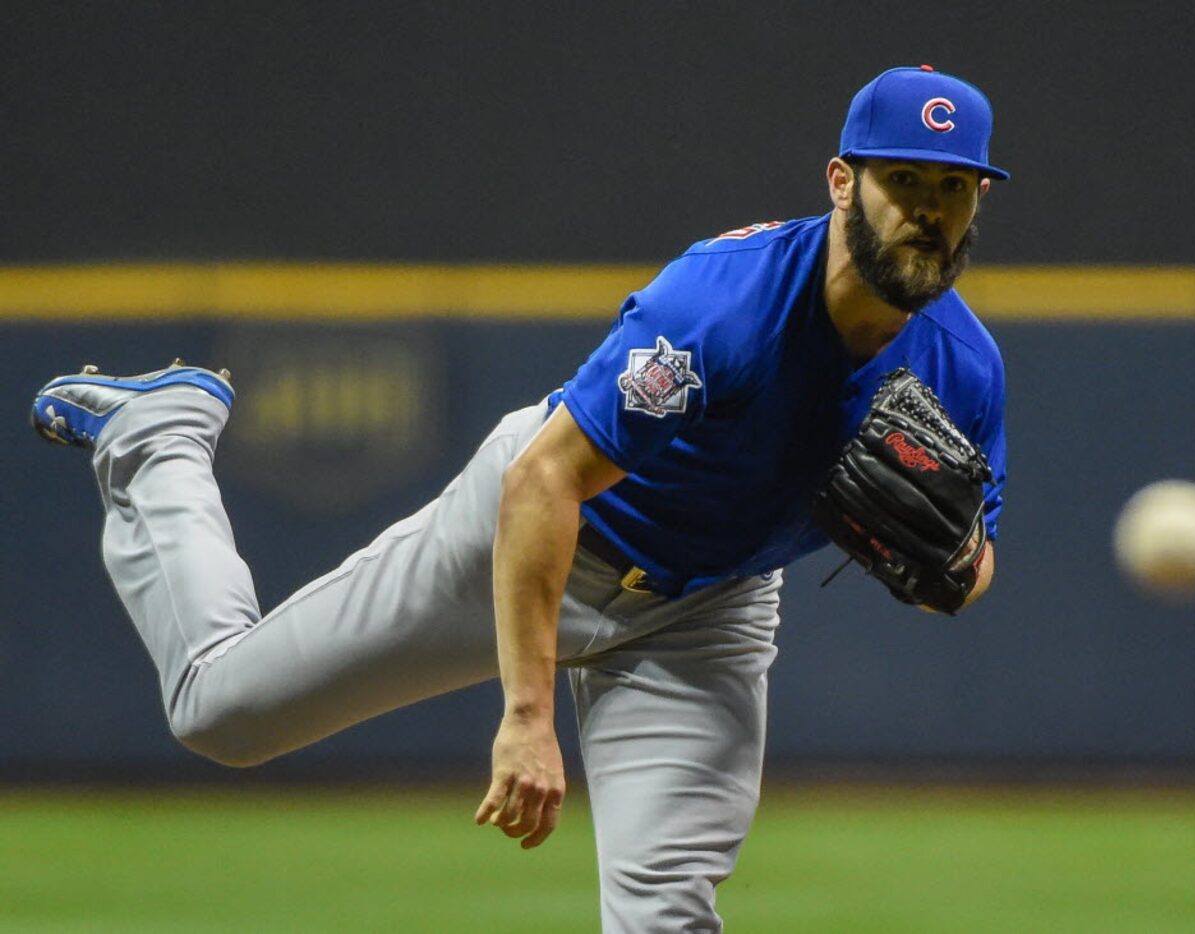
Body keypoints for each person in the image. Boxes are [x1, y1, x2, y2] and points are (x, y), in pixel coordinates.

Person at [29, 64, 1009, 932]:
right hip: (542, 533)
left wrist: (957, 565)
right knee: (221, 715)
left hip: (707, 608)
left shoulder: (966, 367)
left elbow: (973, 558)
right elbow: (548, 478)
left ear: (978, 203)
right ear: (843, 183)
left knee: (665, 912)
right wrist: (528, 713)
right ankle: (158, 441)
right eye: (903, 182)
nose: (927, 209)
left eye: (953, 188)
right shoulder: (725, 305)